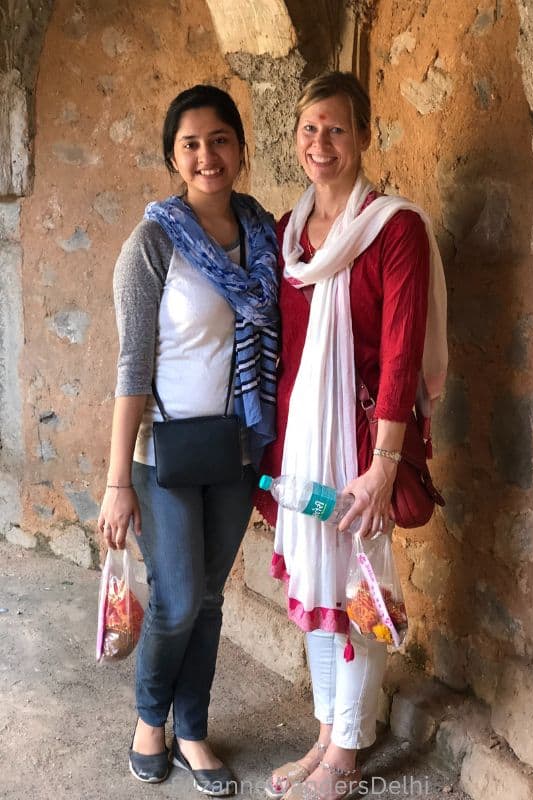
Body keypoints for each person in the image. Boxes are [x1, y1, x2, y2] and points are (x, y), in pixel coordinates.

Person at [255, 71, 447, 800]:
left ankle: (348, 752)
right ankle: (329, 730)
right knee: (314, 580)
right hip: (300, 444)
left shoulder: (394, 228)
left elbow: (401, 353)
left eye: (337, 129)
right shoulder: (288, 233)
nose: (321, 143)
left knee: (361, 588)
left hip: (363, 445)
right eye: (309, 129)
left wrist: (382, 465)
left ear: (365, 136)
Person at [98, 84, 279, 795]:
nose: (208, 155)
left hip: (236, 451)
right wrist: (117, 484)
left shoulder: (263, 233)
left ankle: (193, 728)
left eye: (220, 139)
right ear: (174, 157)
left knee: (208, 598)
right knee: (175, 600)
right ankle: (151, 720)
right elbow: (130, 367)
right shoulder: (152, 243)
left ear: (240, 146)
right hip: (161, 454)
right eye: (191, 144)